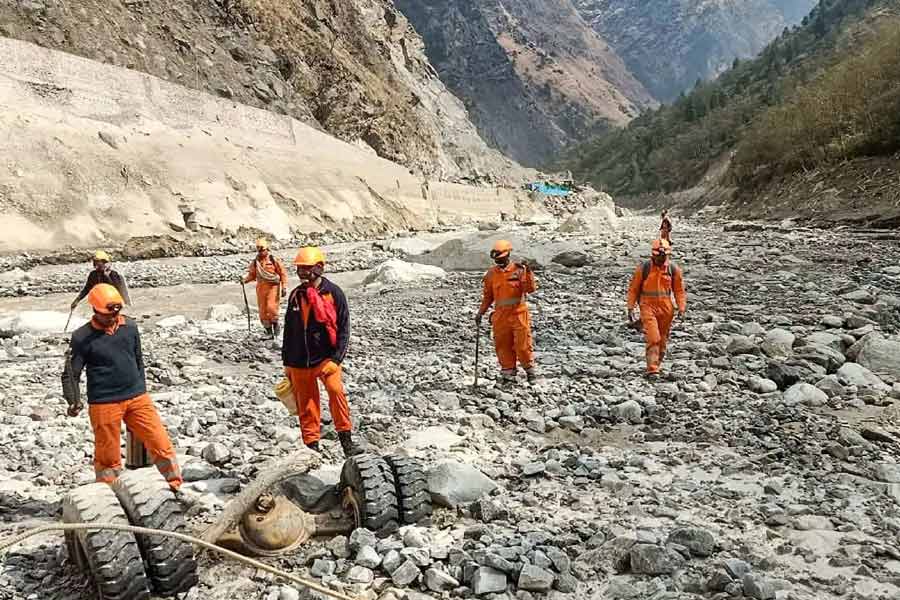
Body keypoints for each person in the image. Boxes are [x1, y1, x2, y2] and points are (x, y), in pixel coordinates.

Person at [62, 284, 182, 490]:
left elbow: (138, 360)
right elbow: (70, 374)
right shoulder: (82, 337)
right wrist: (73, 400)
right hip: (104, 402)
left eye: (116, 313)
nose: (113, 318)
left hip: (137, 397)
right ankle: (109, 492)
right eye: (107, 315)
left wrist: (142, 388)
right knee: (107, 456)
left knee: (160, 442)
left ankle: (175, 484)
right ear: (94, 310)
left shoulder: (130, 327)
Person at [282, 246, 361, 457]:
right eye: (299, 269)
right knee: (307, 405)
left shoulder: (333, 293)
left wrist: (336, 359)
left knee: (336, 393)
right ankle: (311, 448)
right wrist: (287, 363)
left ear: (319, 268)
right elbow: (289, 331)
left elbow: (344, 329)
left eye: (306, 269)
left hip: (326, 358)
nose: (302, 274)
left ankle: (346, 441)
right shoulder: (296, 296)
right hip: (299, 361)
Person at [476, 240, 538, 384]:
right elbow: (488, 297)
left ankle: (530, 370)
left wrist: (528, 272)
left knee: (522, 345)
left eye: (501, 258)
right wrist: (481, 313)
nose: (499, 261)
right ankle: (508, 373)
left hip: (519, 313)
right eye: (496, 258)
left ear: (508, 254)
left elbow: (530, 289)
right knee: (502, 344)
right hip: (500, 316)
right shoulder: (491, 274)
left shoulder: (519, 270)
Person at [626, 239, 687, 376]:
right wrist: (630, 307)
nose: (660, 259)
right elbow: (634, 289)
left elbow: (679, 291)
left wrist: (681, 308)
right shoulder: (644, 268)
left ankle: (657, 365)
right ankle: (652, 369)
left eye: (663, 256)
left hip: (666, 308)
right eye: (658, 256)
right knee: (654, 338)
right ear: (653, 255)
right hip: (647, 306)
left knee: (663, 339)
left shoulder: (673, 269)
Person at [242, 238, 288, 338]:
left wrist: (284, 287)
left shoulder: (273, 260)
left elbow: (283, 273)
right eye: (259, 250)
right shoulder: (255, 262)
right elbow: (252, 275)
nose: (261, 252)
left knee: (271, 308)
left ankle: (276, 326)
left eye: (263, 250)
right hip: (261, 289)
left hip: (273, 287)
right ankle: (268, 331)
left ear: (267, 249)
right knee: (263, 311)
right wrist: (244, 280)